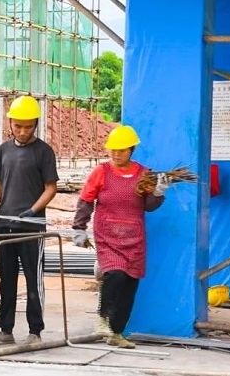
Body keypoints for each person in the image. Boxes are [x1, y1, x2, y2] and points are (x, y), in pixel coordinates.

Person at [71, 125, 171, 349]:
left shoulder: (144, 174)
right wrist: (79, 228)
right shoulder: (101, 172)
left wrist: (158, 191)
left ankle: (117, 331)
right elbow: (86, 199)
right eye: (113, 150)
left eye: (122, 150)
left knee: (129, 283)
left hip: (134, 237)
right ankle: (103, 319)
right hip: (108, 235)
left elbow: (149, 207)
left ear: (132, 149)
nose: (116, 154)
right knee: (115, 275)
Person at [0, 95, 59, 345]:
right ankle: (6, 330)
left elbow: (50, 188)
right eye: (18, 126)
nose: (23, 131)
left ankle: (35, 330)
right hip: (4, 225)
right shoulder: (4, 150)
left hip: (31, 228)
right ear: (10, 123)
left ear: (36, 124)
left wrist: (34, 211)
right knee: (6, 278)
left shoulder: (44, 152)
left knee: (34, 280)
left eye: (28, 126)